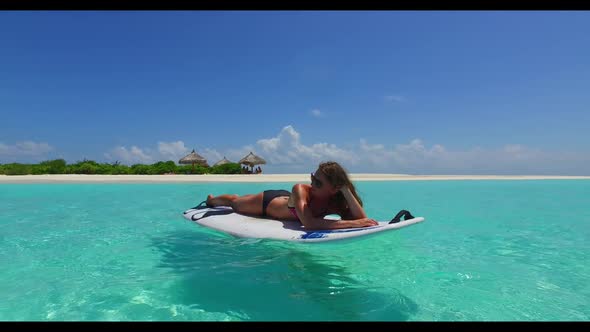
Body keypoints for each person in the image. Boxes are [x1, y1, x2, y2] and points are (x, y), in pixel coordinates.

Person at [205, 161, 379, 230]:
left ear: (334, 189)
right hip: (267, 203)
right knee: (235, 202)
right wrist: (353, 223)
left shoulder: (334, 200)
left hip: (287, 200)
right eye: (312, 177)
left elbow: (363, 219)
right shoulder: (301, 189)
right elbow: (309, 223)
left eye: (318, 182)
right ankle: (212, 199)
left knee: (237, 201)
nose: (312, 183)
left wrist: (346, 191)